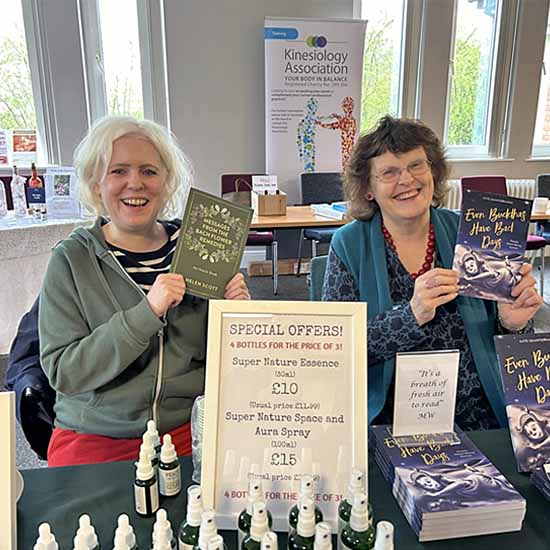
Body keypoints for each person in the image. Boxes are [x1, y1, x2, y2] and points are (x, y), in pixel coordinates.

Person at [39, 116, 250, 467]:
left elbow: (229, 365)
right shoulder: (71, 260)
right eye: (118, 171)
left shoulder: (202, 248)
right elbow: (64, 372)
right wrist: (145, 315)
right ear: (96, 185)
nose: (134, 183)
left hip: (186, 426)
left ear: (167, 184)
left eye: (149, 172)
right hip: (95, 433)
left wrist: (239, 320)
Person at [322, 115, 543, 430]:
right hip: (389, 418)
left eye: (416, 166)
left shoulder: (472, 231)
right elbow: (337, 348)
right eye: (389, 172)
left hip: (475, 412)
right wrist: (411, 315)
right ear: (368, 189)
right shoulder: (349, 245)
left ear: (433, 172)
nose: (407, 180)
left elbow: (509, 345)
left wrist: (512, 326)